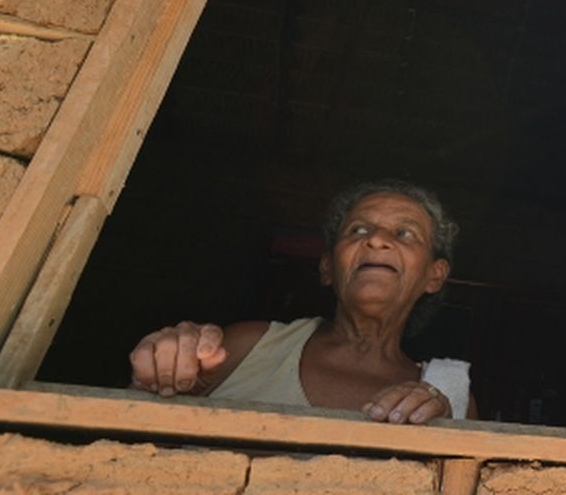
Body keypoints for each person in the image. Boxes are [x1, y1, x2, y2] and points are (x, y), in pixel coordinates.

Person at [128, 180, 475, 423]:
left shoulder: (448, 397)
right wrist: (162, 377)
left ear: (434, 275)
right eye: (358, 230)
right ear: (328, 267)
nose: (377, 241)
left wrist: (441, 431)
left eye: (404, 233)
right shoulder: (249, 347)